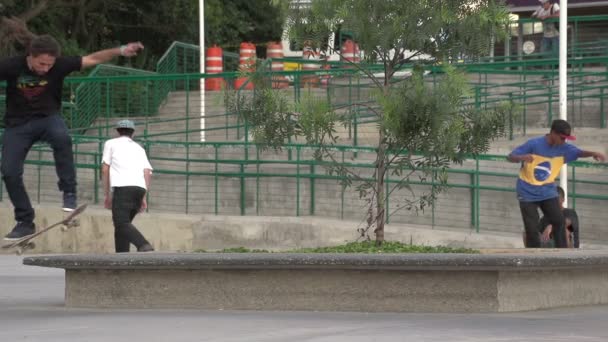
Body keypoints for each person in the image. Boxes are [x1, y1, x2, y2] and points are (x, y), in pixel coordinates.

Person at [0, 34, 144, 240]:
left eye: (49, 65)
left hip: (47, 119)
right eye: (41, 64)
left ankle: (69, 192)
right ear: (30, 56)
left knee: (62, 138)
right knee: (9, 172)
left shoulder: (60, 65)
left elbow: (92, 59)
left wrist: (120, 50)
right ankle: (24, 221)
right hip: (17, 125)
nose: (45, 69)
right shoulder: (11, 66)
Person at [508, 119, 604, 248]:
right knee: (531, 227)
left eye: (566, 139)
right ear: (553, 133)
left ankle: (561, 252)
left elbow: (579, 152)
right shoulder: (534, 144)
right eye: (562, 138)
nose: (564, 141)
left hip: (547, 191)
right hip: (527, 192)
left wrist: (593, 153)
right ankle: (533, 256)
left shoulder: (564, 148)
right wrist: (521, 157)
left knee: (559, 221)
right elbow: (510, 156)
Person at [102, 119, 154, 253]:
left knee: (121, 223)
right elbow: (147, 172)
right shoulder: (139, 148)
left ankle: (143, 244)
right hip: (139, 189)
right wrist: (143, 197)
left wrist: (107, 194)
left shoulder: (111, 143)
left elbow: (105, 169)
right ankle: (122, 257)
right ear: (133, 133)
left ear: (117, 131)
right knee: (123, 226)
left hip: (123, 188)